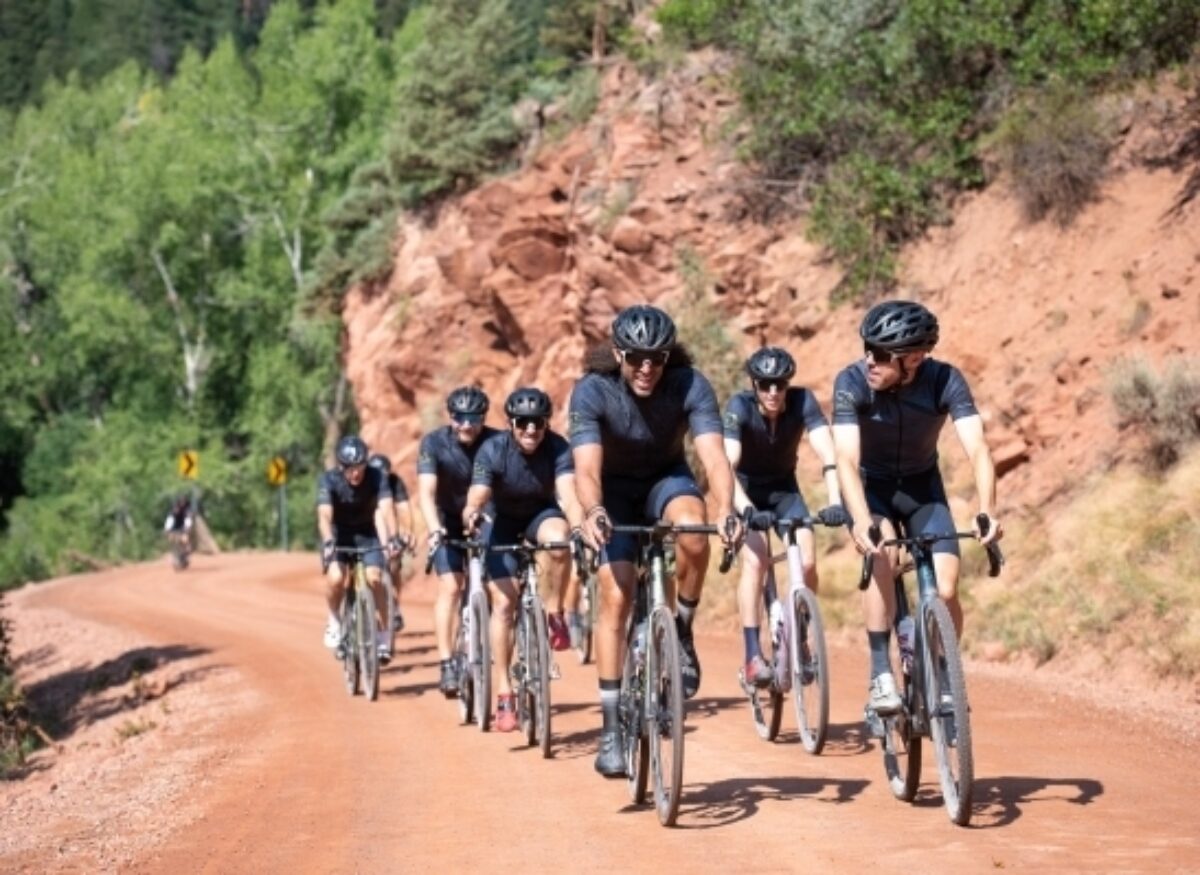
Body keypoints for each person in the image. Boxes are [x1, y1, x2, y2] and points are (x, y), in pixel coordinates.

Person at [570, 304, 743, 777]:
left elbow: (713, 456)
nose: (647, 368)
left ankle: (682, 628)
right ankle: (610, 729)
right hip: (615, 493)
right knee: (615, 596)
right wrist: (593, 511)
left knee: (692, 529)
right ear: (619, 354)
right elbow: (586, 468)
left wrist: (727, 508)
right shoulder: (593, 390)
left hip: (667, 480)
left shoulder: (690, 384)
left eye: (658, 358)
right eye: (637, 358)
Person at [831, 300, 1003, 715]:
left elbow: (978, 448)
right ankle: (881, 676)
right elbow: (846, 461)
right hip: (872, 491)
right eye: (866, 348)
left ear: (913, 359)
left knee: (945, 588)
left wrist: (988, 509)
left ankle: (944, 673)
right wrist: (858, 520)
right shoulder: (852, 382)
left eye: (881, 354)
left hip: (923, 488)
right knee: (883, 555)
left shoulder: (944, 380)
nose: (868, 359)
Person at [723, 346, 846, 688]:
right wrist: (745, 509)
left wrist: (836, 500)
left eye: (780, 384)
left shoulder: (803, 401)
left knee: (807, 563)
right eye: (765, 385)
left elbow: (828, 452)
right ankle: (751, 655)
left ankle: (802, 638)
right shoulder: (739, 407)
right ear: (754, 385)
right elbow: (727, 465)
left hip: (785, 492)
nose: (773, 392)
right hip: (745, 492)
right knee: (756, 560)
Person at [462, 387, 582, 732]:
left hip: (541, 515)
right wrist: (471, 510)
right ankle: (504, 694)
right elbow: (479, 492)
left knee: (560, 544)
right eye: (523, 423)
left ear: (547, 424)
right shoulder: (492, 449)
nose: (531, 430)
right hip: (501, 523)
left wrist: (577, 525)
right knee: (503, 605)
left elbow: (568, 493)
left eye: (538, 423)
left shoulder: (559, 448)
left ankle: (555, 612)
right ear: (511, 423)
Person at [417, 386, 499, 697]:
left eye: (474, 417)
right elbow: (425, 492)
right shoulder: (434, 444)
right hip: (447, 519)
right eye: (459, 417)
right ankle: (446, 662)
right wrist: (435, 528)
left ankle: (489, 636)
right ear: (450, 417)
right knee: (450, 587)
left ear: (483, 417)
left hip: (487, 515)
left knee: (497, 585)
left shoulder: (496, 442)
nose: (466, 424)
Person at [317, 435, 402, 664]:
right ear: (340, 466)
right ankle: (335, 620)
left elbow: (387, 508)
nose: (356, 473)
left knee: (375, 579)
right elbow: (324, 514)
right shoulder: (329, 480)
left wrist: (393, 537)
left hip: (367, 535)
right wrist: (327, 541)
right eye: (350, 469)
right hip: (338, 535)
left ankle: (384, 635)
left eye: (360, 467)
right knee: (336, 578)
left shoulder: (377, 477)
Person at [367, 453, 416, 634]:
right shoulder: (366, 482)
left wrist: (406, 531)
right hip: (367, 531)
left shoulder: (395, 483)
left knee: (395, 565)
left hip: (388, 529)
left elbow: (403, 509)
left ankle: (394, 605)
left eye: (385, 474)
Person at [163, 495, 194, 564]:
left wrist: (188, 528)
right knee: (171, 539)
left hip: (183, 528)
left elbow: (188, 521)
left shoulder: (186, 512)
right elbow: (169, 521)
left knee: (185, 540)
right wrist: (167, 529)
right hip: (174, 528)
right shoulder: (172, 514)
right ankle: (175, 554)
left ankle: (186, 551)